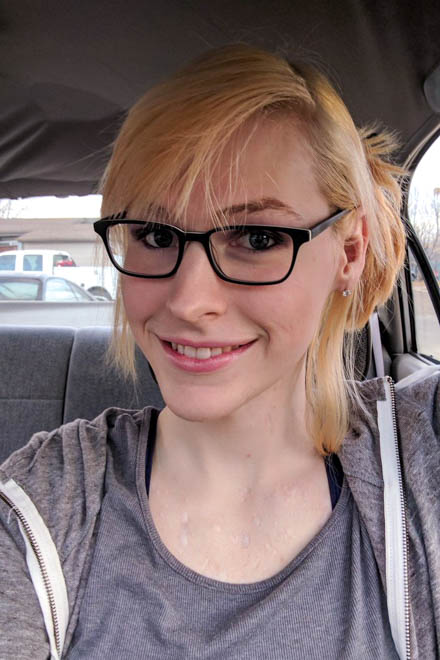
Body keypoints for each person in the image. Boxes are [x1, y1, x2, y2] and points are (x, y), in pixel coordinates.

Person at [0, 44, 439, 659]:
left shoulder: (422, 457)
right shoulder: (40, 507)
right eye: (155, 235)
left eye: (257, 238)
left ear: (349, 253)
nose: (189, 301)